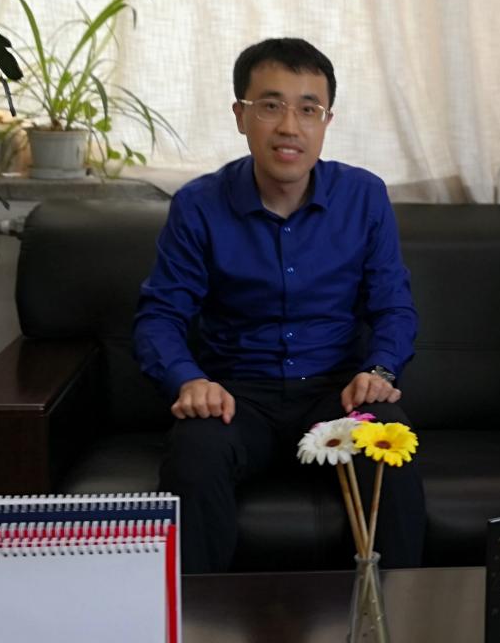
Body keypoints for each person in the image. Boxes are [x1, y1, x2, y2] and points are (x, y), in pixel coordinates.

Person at [133, 37, 425, 573]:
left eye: (308, 109)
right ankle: (198, 616)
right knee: (194, 453)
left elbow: (394, 308)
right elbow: (161, 316)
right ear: (240, 116)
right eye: (270, 105)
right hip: (236, 397)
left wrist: (380, 370)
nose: (290, 126)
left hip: (337, 392)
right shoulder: (199, 204)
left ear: (326, 121)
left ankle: (394, 611)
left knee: (388, 445)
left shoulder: (363, 196)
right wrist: (188, 381)